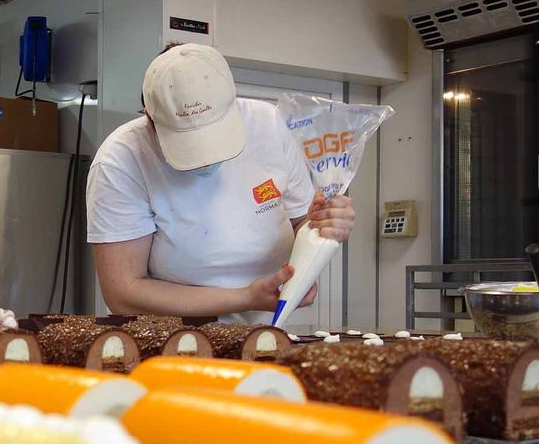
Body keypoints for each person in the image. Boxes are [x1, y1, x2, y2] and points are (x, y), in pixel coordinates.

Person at [86, 43, 356, 324]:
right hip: (168, 339)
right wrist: (245, 297)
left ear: (233, 104)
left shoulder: (269, 125)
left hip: (267, 327)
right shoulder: (123, 158)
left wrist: (324, 225)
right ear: (149, 119)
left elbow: (302, 222)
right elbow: (122, 293)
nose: (205, 159)